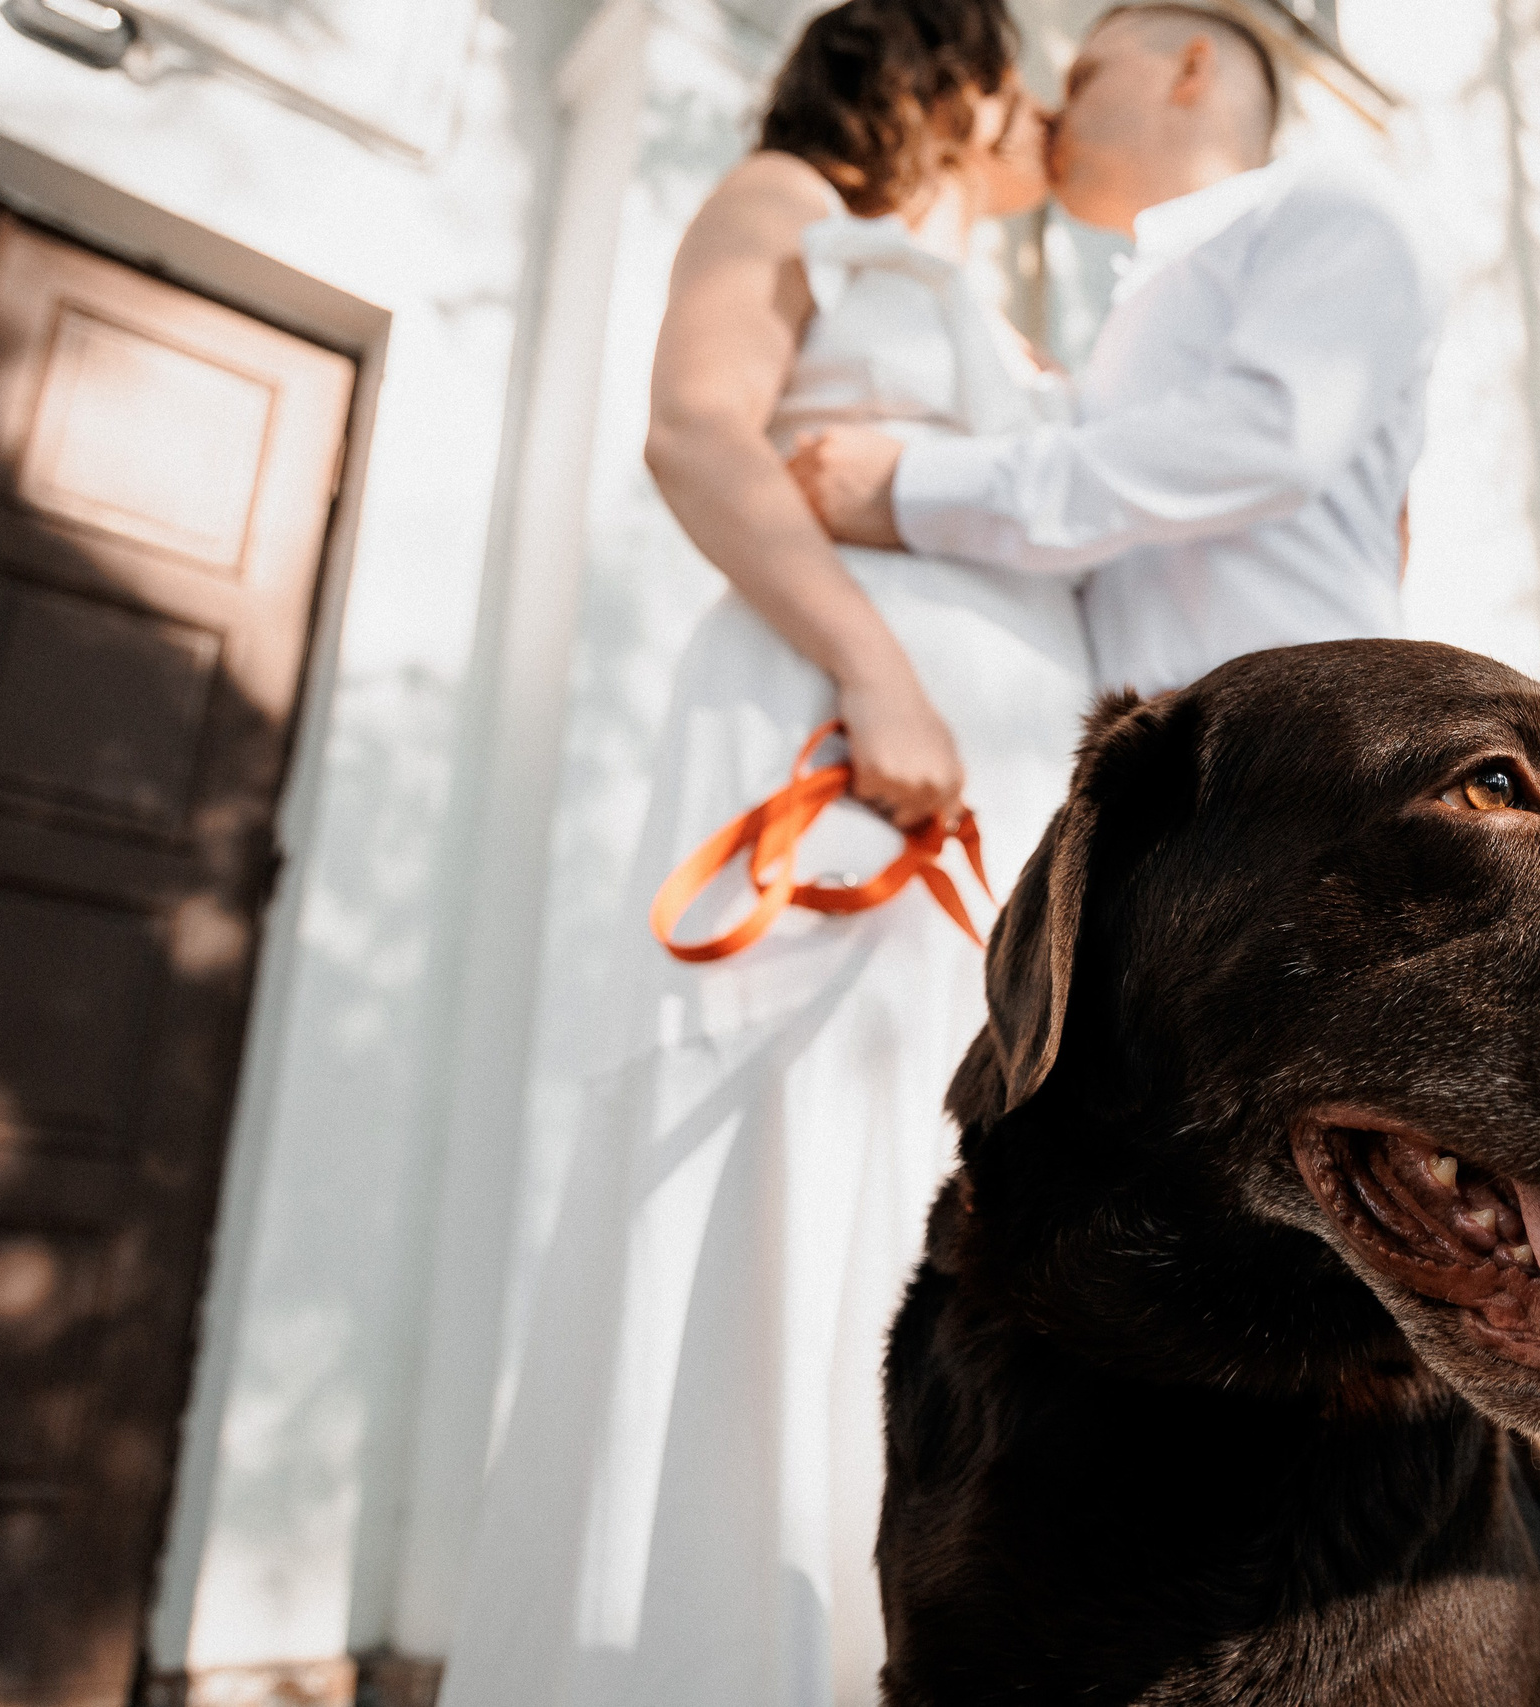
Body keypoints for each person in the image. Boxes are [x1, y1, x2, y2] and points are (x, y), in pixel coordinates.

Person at [437, 4, 1089, 1703]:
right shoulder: (786, 199)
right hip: (840, 744)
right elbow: (699, 432)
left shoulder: (1012, 315)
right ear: (955, 80)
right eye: (1026, 83)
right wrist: (880, 675)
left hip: (1003, 802)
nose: (1049, 115)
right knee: (802, 1158)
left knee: (953, 1182)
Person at [791, 1, 1444, 695]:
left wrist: (908, 490)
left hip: (1299, 724)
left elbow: (1268, 436)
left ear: (1190, 70)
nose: (1053, 115)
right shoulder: (1143, 307)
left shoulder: (1334, 205)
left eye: (1083, 79)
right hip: (1149, 739)